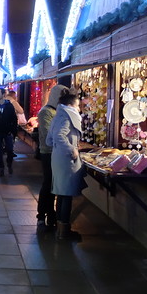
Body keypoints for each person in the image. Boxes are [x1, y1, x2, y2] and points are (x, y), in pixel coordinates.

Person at [47, 92, 85, 241]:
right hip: (66, 160)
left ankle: (61, 228)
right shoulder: (66, 116)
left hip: (59, 157)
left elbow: (50, 139)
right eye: (77, 105)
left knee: (62, 193)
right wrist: (72, 149)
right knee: (66, 194)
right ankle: (64, 231)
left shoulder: (58, 115)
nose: (78, 108)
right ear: (70, 105)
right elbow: (59, 136)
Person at [35, 85, 69, 231]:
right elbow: (50, 134)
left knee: (53, 184)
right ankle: (42, 215)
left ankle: (50, 214)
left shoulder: (57, 111)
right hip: (48, 152)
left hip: (57, 153)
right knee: (48, 183)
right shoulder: (46, 112)